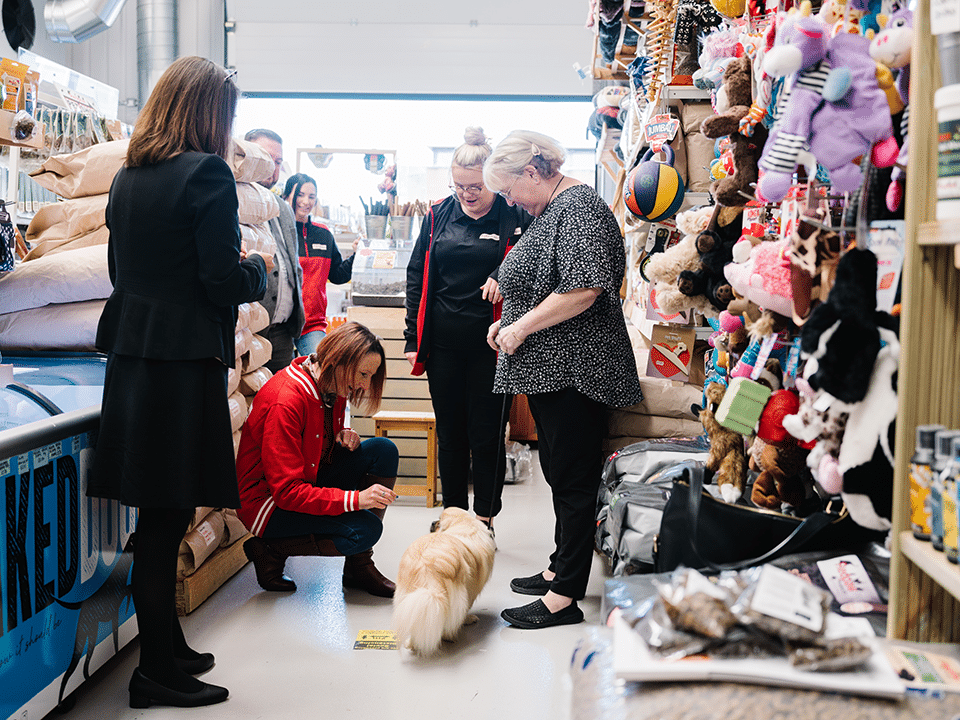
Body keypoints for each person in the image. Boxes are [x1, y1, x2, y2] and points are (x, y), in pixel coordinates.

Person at [89, 57, 272, 708]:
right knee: (167, 520)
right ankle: (154, 672)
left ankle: (169, 649)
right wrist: (258, 271)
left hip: (135, 359)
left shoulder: (127, 180)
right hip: (181, 361)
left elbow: (120, 270)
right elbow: (221, 280)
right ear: (210, 114)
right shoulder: (208, 176)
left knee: (158, 515)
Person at [482, 130, 642, 629]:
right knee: (559, 471)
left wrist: (521, 326)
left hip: (578, 369)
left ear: (533, 172)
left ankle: (565, 597)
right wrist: (510, 322)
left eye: (510, 191)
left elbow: (584, 290)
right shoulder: (556, 209)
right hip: (556, 369)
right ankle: (559, 568)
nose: (510, 202)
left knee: (573, 480)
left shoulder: (579, 209)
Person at [404, 126, 531, 531]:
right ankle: (454, 515)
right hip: (442, 344)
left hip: (492, 347)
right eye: (458, 185)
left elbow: (534, 265)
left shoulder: (514, 214)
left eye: (474, 186)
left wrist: (504, 274)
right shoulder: (438, 213)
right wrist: (412, 338)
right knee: (451, 434)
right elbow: (415, 276)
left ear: (491, 179)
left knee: (487, 434)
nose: (466, 193)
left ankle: (485, 517)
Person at [236, 321, 400, 598]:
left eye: (370, 376)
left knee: (383, 449)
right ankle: (270, 548)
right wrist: (355, 500)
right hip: (269, 505)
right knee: (364, 530)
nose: (364, 385)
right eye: (362, 374)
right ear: (337, 360)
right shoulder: (285, 401)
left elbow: (313, 445)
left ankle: (358, 567)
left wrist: (341, 437)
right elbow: (287, 492)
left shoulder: (328, 383)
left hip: (307, 480)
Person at [244, 128, 306, 373]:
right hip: (248, 330)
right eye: (266, 159)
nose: (272, 168)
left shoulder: (282, 208)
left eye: (278, 162)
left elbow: (292, 264)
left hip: (282, 333)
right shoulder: (232, 201)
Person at [285, 173, 356, 357]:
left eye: (311, 196)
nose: (305, 201)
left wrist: (357, 255)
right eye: (300, 194)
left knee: (321, 371)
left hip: (312, 325)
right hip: (281, 324)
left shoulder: (324, 234)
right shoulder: (279, 230)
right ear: (287, 195)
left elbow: (338, 275)